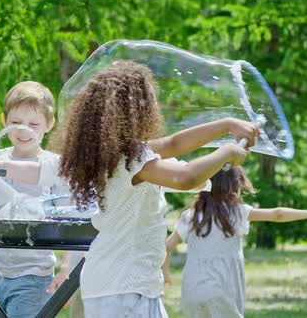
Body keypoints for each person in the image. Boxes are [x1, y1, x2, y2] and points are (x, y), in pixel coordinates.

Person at [56, 60, 260, 317]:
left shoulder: (116, 155)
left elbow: (174, 143)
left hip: (123, 283)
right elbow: (184, 178)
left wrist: (227, 124)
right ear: (134, 112)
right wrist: (227, 151)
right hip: (123, 288)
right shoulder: (132, 160)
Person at [0, 81, 72, 317]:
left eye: (33, 124)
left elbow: (70, 219)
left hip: (34, 276)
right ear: (3, 121)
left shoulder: (54, 166)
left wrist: (66, 267)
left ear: (49, 124)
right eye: (15, 122)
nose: (23, 130)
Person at [163, 165, 307, 317]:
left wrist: (165, 274)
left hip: (192, 293)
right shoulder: (237, 212)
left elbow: (167, 246)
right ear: (236, 185)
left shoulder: (191, 215)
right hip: (223, 291)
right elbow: (277, 214)